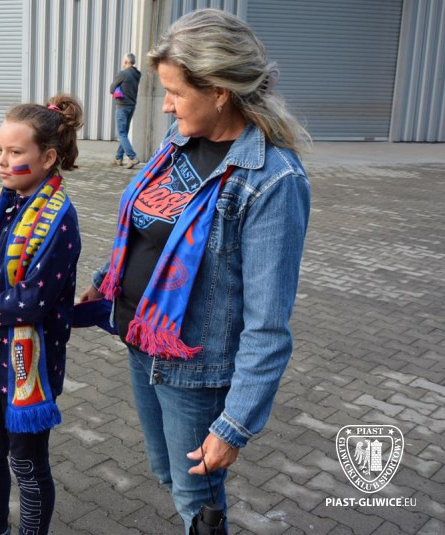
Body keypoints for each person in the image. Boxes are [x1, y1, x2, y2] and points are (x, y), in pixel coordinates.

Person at [78, 9, 311, 534]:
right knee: (168, 473)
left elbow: (268, 323)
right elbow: (145, 228)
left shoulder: (273, 180)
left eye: (175, 93)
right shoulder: (179, 140)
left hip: (193, 370)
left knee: (195, 495)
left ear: (220, 91)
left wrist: (235, 425)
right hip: (140, 340)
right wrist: (101, 281)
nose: (165, 104)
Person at [0, 95, 83, 535]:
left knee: (26, 464)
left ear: (47, 158)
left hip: (29, 367)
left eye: (15, 152)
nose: (2, 161)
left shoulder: (60, 220)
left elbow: (31, 302)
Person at [110, 52, 141, 169]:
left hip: (122, 106)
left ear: (126, 62)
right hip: (132, 106)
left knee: (121, 133)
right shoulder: (137, 74)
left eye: (124, 61)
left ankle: (132, 157)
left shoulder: (123, 74)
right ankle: (118, 157)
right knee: (124, 133)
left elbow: (111, 89)